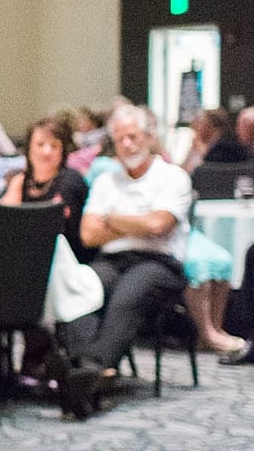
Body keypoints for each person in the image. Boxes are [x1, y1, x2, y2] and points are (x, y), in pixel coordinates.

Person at [59, 104, 194, 410]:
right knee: (79, 286)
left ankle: (86, 371)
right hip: (112, 261)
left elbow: (159, 226)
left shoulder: (173, 178)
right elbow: (89, 235)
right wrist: (139, 222)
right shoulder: (107, 181)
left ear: (149, 138)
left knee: (128, 295)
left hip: (159, 263)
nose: (128, 145)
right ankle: (92, 373)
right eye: (121, 139)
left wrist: (113, 218)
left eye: (133, 137)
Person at [3, 115, 89, 258]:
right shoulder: (20, 181)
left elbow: (66, 232)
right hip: (26, 256)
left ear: (63, 151)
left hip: (65, 259)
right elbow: (5, 224)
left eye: (54, 146)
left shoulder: (71, 181)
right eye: (40, 144)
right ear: (29, 148)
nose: (46, 151)